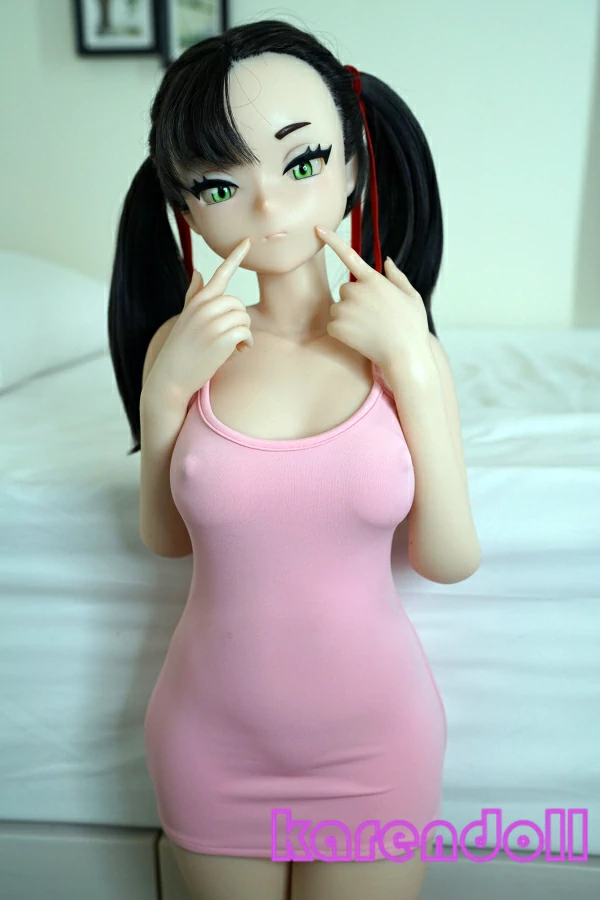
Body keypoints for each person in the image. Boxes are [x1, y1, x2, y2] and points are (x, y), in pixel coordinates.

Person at [108, 18, 481, 900]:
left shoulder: (402, 347)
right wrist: (165, 395)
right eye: (219, 183)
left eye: (302, 162)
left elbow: (449, 557)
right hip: (208, 743)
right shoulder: (183, 349)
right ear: (185, 209)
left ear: (353, 166)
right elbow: (165, 539)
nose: (269, 206)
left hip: (376, 747)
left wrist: (414, 368)